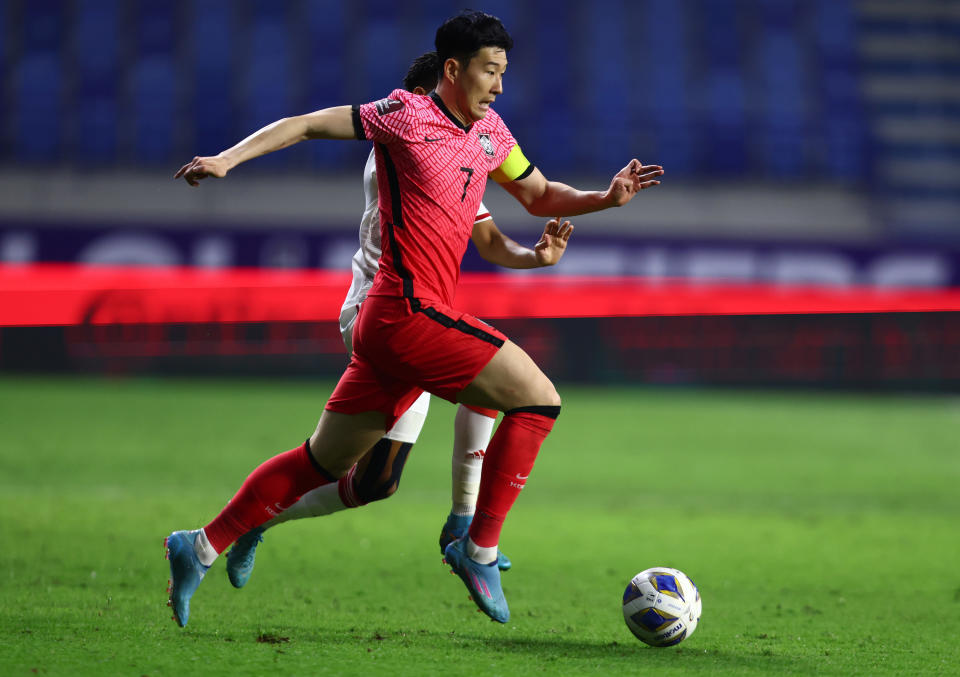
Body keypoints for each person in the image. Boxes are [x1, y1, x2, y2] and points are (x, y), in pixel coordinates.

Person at [167, 9, 663, 626]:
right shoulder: (404, 118)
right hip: (405, 310)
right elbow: (303, 125)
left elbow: (536, 195)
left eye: (504, 72)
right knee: (536, 399)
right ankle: (474, 543)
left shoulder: (490, 136)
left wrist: (603, 199)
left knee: (323, 465)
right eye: (490, 71)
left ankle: (199, 545)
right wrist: (225, 159)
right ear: (453, 69)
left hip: (400, 322)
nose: (500, 85)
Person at [223, 51, 574, 588]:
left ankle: (461, 525)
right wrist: (227, 159)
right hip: (380, 311)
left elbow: (489, 236)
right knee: (496, 389)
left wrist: (535, 258)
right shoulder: (411, 145)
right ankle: (464, 529)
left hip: (419, 310)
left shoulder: (449, 145)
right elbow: (309, 126)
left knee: (377, 481)